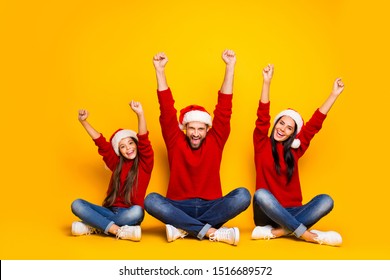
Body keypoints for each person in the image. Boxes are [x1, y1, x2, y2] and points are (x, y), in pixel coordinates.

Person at [144, 50, 251, 246]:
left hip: (212, 206)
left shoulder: (216, 139)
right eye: (191, 128)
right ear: (184, 128)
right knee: (151, 200)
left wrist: (230, 67)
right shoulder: (175, 140)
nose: (195, 133)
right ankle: (210, 231)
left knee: (243, 195)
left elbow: (224, 108)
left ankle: (184, 228)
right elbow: (166, 109)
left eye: (200, 129)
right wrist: (159, 70)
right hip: (178, 206)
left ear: (207, 129)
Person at [252, 64, 344, 246]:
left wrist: (334, 94)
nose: (282, 129)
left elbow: (314, 125)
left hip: (294, 211)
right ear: (275, 123)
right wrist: (266, 82)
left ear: (293, 134)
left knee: (326, 200)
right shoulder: (261, 143)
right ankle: (308, 235)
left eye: (289, 128)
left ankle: (279, 232)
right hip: (267, 214)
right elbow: (262, 116)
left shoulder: (295, 149)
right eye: (281, 123)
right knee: (261, 194)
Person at [71, 100, 154, 241]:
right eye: (122, 146)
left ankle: (97, 225)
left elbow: (144, 139)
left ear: (136, 144)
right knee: (77, 204)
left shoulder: (145, 163)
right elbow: (101, 143)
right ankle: (117, 230)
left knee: (138, 211)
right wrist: (83, 121)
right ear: (119, 151)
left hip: (129, 213)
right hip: (108, 211)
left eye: (130, 143)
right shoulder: (116, 163)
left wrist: (140, 114)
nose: (128, 148)